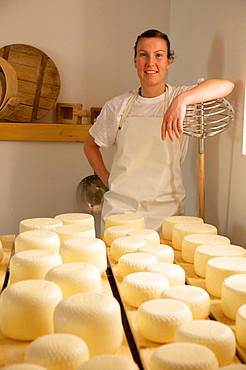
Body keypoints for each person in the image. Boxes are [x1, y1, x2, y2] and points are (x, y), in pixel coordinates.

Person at [84, 29, 234, 233]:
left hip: (167, 213)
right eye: (143, 54)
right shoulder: (118, 106)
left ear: (168, 61)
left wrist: (182, 100)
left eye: (158, 55)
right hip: (122, 211)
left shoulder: (184, 99)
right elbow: (90, 145)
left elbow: (226, 86)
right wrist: (108, 179)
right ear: (135, 60)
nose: (150, 63)